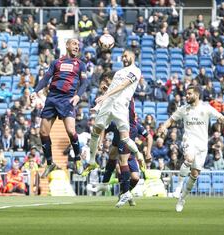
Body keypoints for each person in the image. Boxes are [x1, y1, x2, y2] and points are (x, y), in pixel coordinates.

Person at [158, 84, 224, 212]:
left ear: (197, 94)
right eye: (186, 93)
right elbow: (171, 120)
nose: (186, 96)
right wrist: (163, 127)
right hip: (189, 140)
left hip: (202, 145)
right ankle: (178, 188)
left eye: (189, 94)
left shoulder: (206, 108)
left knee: (194, 174)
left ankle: (182, 198)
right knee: (189, 158)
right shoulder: (184, 109)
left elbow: (221, 117)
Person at [82, 50, 144, 207]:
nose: (124, 58)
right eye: (122, 56)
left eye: (126, 56)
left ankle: (125, 188)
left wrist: (106, 94)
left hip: (124, 115)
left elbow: (122, 86)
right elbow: (113, 88)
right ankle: (96, 169)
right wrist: (100, 102)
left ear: (133, 56)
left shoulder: (135, 71)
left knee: (124, 150)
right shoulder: (118, 73)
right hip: (110, 110)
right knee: (104, 141)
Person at [30, 39, 88, 178]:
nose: (76, 47)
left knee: (70, 130)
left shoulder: (80, 65)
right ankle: (50, 163)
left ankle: (78, 159)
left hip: (67, 99)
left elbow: (84, 83)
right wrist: (35, 90)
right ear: (67, 45)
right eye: (74, 44)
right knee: (43, 133)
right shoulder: (56, 63)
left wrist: (78, 96)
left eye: (78, 46)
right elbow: (46, 78)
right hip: (52, 98)